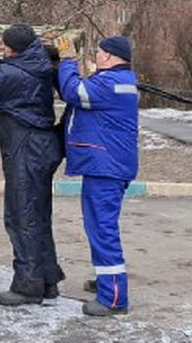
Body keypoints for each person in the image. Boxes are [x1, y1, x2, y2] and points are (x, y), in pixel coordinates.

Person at [0, 24, 65, 306]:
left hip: (26, 149)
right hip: (42, 147)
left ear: (11, 48)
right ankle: (46, 280)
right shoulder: (40, 64)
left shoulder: (11, 72)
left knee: (21, 214)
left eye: (3, 44)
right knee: (38, 214)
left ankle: (27, 286)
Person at [56, 35, 138, 316]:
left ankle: (114, 297)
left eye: (100, 53)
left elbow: (73, 92)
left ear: (110, 56)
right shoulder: (120, 80)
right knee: (101, 227)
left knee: (102, 229)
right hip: (109, 165)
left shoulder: (110, 83)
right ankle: (107, 281)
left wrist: (67, 61)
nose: (97, 57)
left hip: (106, 167)